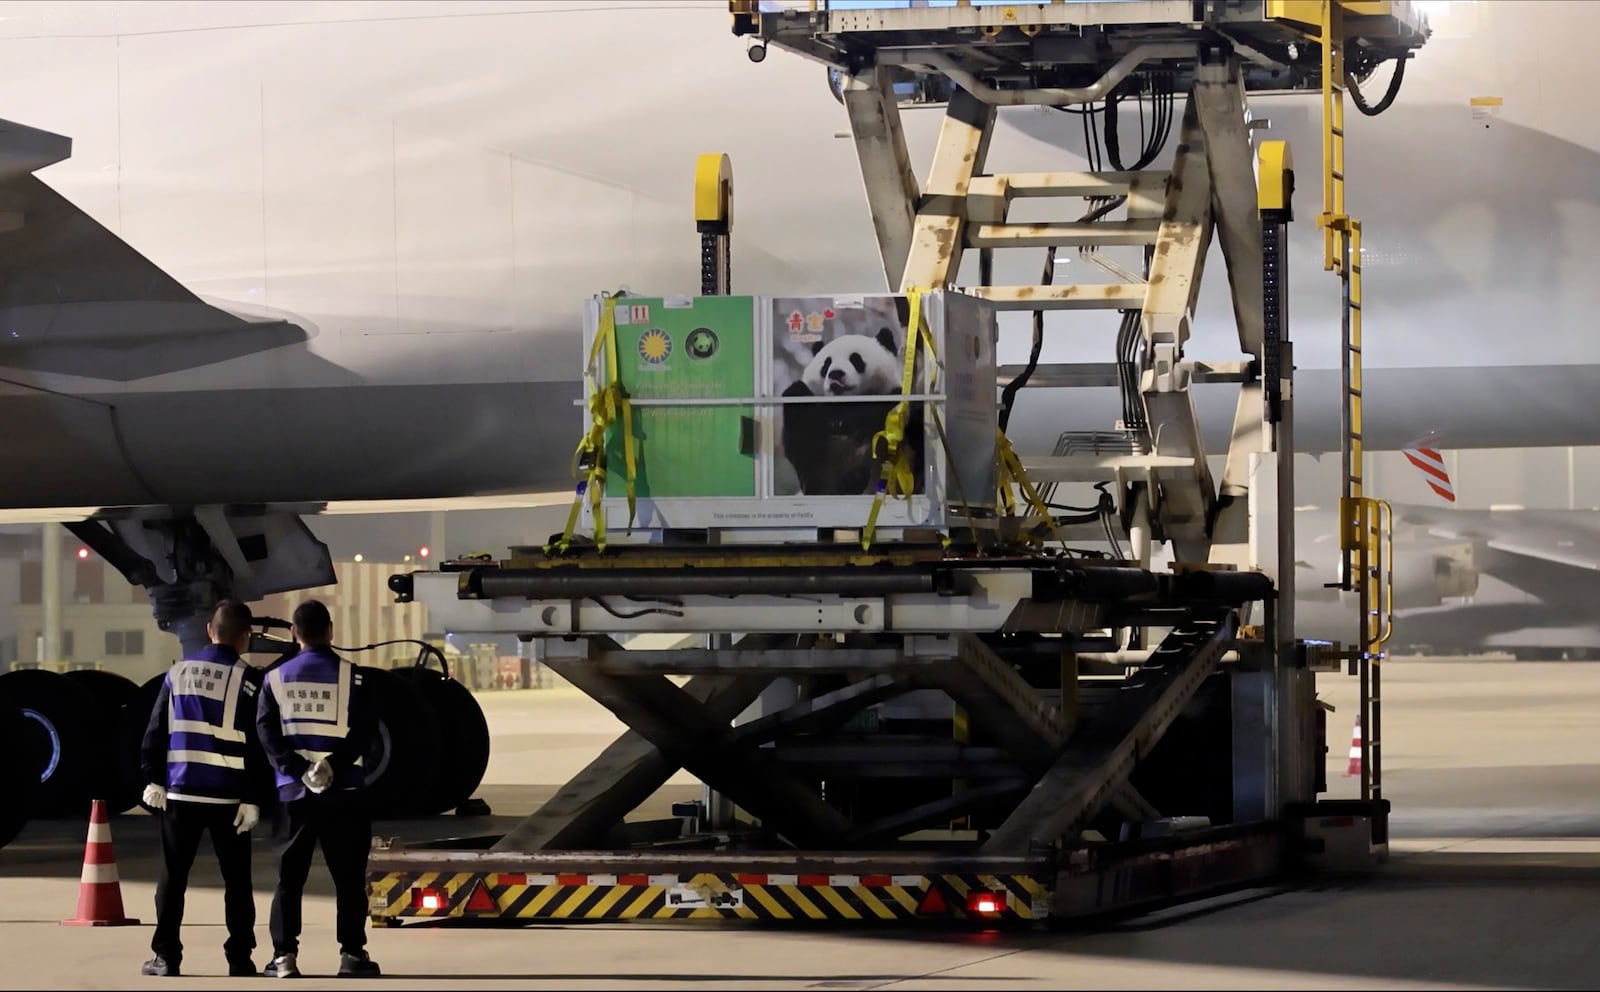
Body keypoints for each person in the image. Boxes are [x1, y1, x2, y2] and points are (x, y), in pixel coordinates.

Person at [140, 599, 273, 978]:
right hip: (229, 798)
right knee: (237, 882)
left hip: (181, 793)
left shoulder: (178, 673)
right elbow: (257, 745)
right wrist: (253, 798)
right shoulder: (250, 679)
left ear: (209, 631)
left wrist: (153, 778)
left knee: (173, 878)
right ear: (245, 637)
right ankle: (240, 958)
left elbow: (155, 731)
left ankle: (166, 957)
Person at [256, 599, 381, 979]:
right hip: (344, 793)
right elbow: (364, 731)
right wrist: (331, 765)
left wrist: (299, 770)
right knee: (347, 877)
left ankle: (284, 958)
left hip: (294, 796)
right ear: (329, 631)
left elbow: (266, 731)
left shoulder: (274, 679)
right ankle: (352, 955)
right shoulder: (353, 677)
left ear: (294, 633)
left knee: (289, 879)